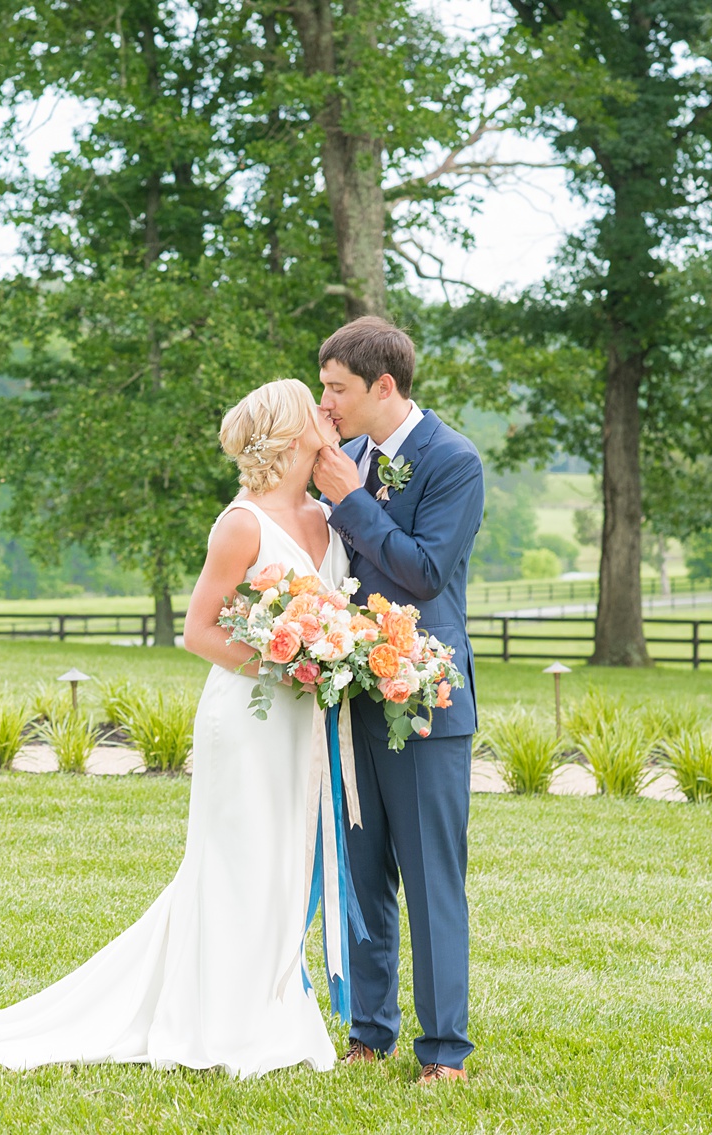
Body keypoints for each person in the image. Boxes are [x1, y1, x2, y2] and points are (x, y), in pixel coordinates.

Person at [0, 378, 350, 1078]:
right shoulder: (242, 523)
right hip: (248, 719)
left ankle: (272, 1007)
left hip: (301, 728)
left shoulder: (324, 517)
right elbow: (199, 630)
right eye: (312, 407)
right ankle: (220, 1021)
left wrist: (327, 659)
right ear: (290, 432)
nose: (326, 412)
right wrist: (285, 665)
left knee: (285, 861)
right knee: (234, 862)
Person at [311, 316, 485, 1085]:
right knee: (363, 872)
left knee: (430, 879)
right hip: (352, 698)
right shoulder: (346, 455)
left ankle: (444, 1050)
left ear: (384, 386)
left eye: (337, 389)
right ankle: (369, 1030)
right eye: (324, 388)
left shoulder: (453, 461)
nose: (329, 401)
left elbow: (423, 573)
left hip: (425, 700)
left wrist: (351, 500)